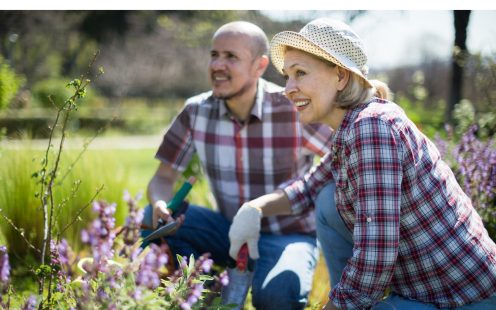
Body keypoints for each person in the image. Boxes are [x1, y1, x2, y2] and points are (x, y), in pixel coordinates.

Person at [228, 18, 496, 310]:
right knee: (327, 200)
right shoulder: (352, 128)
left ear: (341, 77)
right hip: (422, 287)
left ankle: (352, 300)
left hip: (463, 298)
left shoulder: (372, 128)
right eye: (287, 76)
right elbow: (307, 189)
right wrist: (254, 209)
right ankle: (350, 298)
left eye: (300, 73)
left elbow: (376, 255)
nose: (288, 89)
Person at [143, 21, 334, 309]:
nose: (218, 65)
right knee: (149, 217)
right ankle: (206, 296)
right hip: (228, 230)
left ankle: (251, 284)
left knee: (275, 297)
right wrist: (160, 203)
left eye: (231, 57)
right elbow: (163, 178)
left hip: (287, 234)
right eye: (214, 55)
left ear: (260, 66)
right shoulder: (195, 111)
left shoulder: (293, 108)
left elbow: (345, 156)